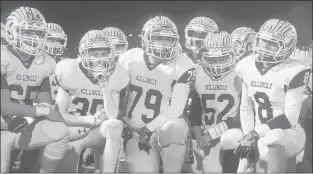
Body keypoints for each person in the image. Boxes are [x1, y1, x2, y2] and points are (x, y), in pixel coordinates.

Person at [222, 18, 310, 173]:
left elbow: (290, 117)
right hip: (258, 131)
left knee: (274, 136)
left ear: (288, 47)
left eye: (272, 43)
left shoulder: (295, 69)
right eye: (263, 41)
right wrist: (250, 136)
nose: (265, 47)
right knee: (228, 138)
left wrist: (255, 134)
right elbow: (246, 107)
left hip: (289, 133)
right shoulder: (246, 65)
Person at [119, 16, 195, 172]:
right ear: (146, 39)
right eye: (158, 38)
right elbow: (118, 94)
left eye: (168, 39)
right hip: (134, 132)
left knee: (175, 127)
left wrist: (149, 128)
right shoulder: (130, 58)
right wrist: (121, 120)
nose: (164, 43)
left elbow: (177, 107)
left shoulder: (183, 64)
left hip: (160, 129)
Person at [1, 6, 70, 173]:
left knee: (60, 131)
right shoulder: (3, 57)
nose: (33, 38)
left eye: (37, 33)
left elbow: (47, 106)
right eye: (27, 32)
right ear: (11, 31)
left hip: (21, 123)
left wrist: (30, 118)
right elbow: (5, 107)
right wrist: (41, 111)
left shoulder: (44, 63)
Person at [54, 30, 129, 172]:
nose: (100, 59)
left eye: (104, 54)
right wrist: (88, 120)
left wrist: (105, 86)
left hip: (99, 130)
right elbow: (60, 114)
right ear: (83, 54)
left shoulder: (117, 73)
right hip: (73, 129)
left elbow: (112, 115)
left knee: (115, 125)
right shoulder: (69, 70)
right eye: (94, 54)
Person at [189, 31, 241, 172]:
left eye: (222, 58)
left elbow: (241, 117)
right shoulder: (198, 74)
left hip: (233, 133)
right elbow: (194, 112)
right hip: (208, 138)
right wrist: (199, 136)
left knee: (232, 139)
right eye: (212, 59)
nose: (217, 64)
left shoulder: (240, 74)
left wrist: (210, 134)